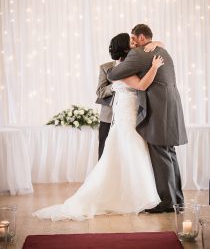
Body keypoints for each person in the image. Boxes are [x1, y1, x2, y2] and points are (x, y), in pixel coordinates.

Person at [32, 33, 164, 221]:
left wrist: (157, 43)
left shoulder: (128, 63)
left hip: (128, 113)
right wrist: (154, 67)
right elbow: (141, 86)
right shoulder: (120, 69)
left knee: (127, 152)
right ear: (125, 47)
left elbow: (152, 46)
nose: (135, 42)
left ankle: (130, 193)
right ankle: (134, 197)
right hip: (126, 114)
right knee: (132, 149)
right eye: (131, 41)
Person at [108, 24, 188, 213]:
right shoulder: (162, 50)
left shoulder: (138, 54)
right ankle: (177, 200)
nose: (133, 43)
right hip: (172, 104)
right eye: (130, 41)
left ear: (142, 38)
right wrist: (158, 42)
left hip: (158, 108)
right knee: (170, 153)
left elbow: (114, 74)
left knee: (160, 154)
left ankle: (167, 203)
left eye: (134, 39)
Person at [96, 60, 115, 160]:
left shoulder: (136, 64)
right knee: (104, 148)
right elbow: (100, 92)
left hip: (129, 114)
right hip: (107, 117)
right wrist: (115, 86)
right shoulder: (105, 67)